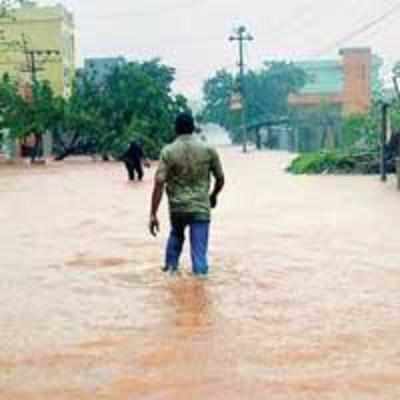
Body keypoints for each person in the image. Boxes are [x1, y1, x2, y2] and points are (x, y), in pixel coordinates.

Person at [149, 112, 225, 276]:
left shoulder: (168, 152)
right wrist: (213, 195)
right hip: (200, 208)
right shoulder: (208, 150)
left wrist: (153, 214)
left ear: (175, 129)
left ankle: (170, 274)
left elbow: (159, 181)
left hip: (177, 209)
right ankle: (200, 289)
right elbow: (220, 178)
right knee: (199, 259)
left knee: (175, 238)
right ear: (193, 128)